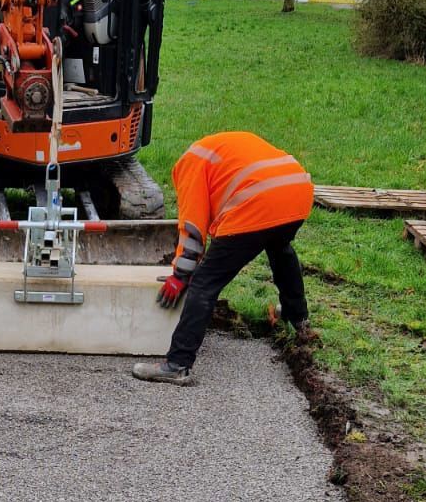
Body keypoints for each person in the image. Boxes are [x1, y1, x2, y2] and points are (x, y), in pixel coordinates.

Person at [132, 132, 315, 385]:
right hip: (298, 193)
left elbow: (193, 230)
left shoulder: (190, 167)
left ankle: (177, 364)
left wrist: (181, 275)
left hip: (258, 203)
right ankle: (299, 319)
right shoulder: (217, 150)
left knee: (204, 283)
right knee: (279, 247)